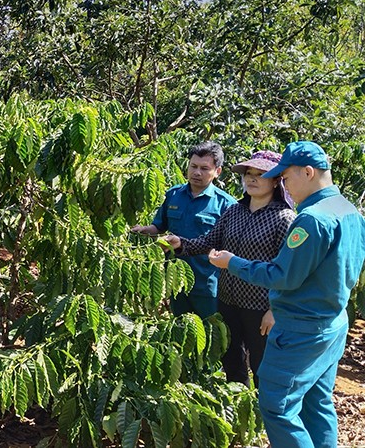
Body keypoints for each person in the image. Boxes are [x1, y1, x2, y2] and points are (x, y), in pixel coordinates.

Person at [209, 141, 365, 448]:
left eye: (287, 177)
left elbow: (282, 276)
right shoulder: (348, 210)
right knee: (315, 403)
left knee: (277, 406)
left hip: (300, 328)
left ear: (307, 173)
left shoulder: (311, 220)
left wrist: (232, 263)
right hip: (332, 322)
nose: (285, 185)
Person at [163, 150, 295, 387]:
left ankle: (265, 417)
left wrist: (276, 309)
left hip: (260, 306)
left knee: (262, 365)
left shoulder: (283, 218)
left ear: (277, 181)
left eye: (261, 174)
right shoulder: (235, 211)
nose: (252, 179)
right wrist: (181, 243)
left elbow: (289, 269)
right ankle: (238, 408)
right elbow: (209, 241)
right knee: (232, 360)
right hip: (228, 301)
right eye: (249, 174)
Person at [131, 141, 237, 318]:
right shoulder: (173, 195)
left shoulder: (226, 204)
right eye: (193, 166)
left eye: (204, 168)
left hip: (208, 286)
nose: (197, 172)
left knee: (211, 334)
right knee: (180, 331)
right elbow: (159, 226)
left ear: (217, 172)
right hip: (175, 281)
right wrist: (142, 230)